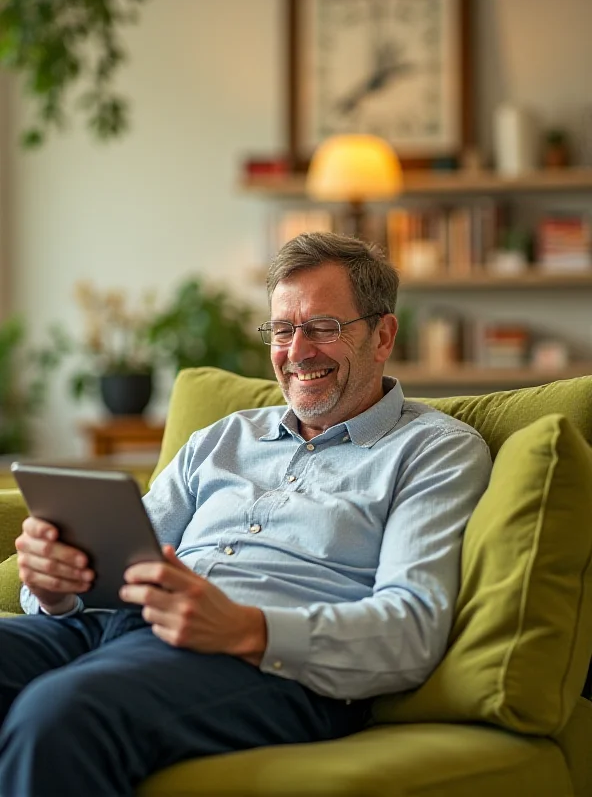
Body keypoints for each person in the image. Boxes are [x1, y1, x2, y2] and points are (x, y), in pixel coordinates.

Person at [0, 232, 492, 796]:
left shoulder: (435, 450)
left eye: (322, 328)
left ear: (383, 335)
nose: (297, 350)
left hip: (267, 668)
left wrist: (247, 629)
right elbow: (121, 559)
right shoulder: (223, 438)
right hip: (119, 627)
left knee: (61, 713)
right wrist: (58, 585)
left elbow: (412, 628)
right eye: (283, 330)